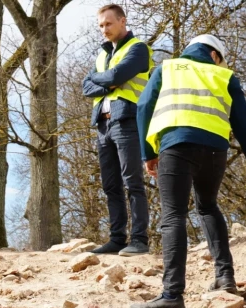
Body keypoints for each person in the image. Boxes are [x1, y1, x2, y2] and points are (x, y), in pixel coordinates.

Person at [131, 35, 246, 308]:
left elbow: (143, 107)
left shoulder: (167, 68)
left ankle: (172, 294)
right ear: (214, 55)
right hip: (214, 151)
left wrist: (148, 152)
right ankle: (225, 277)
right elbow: (245, 127)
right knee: (208, 207)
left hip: (176, 146)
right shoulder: (225, 76)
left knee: (173, 214)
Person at [81, 4, 153, 256]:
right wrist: (109, 81)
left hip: (127, 121)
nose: (104, 29)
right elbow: (85, 86)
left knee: (132, 181)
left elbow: (115, 76)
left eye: (108, 24)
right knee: (110, 185)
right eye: (101, 26)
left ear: (123, 21)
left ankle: (140, 240)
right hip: (102, 124)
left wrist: (108, 79)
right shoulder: (102, 55)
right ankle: (116, 239)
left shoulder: (139, 49)